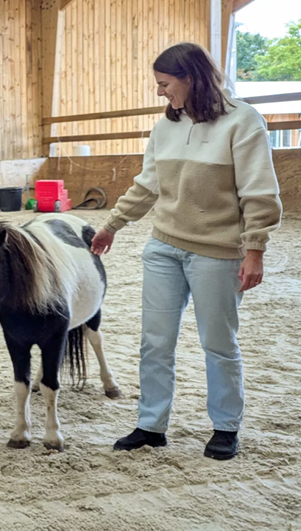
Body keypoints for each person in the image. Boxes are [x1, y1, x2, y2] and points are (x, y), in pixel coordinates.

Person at [91, 42, 281, 461]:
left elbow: (259, 193)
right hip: (163, 248)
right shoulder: (166, 127)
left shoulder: (243, 122)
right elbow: (147, 185)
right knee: (154, 342)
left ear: (191, 78)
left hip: (217, 252)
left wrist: (255, 250)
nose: (161, 93)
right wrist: (112, 226)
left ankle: (226, 427)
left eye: (165, 84)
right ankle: (151, 424)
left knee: (218, 342)